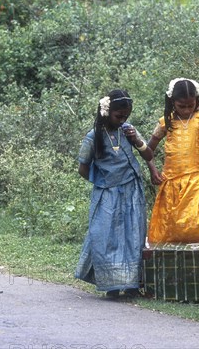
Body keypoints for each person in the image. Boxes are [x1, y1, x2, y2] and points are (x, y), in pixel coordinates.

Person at [75, 89, 154, 298]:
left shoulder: (127, 131)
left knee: (133, 235)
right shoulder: (93, 137)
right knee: (107, 236)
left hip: (132, 191)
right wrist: (103, 182)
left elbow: (148, 154)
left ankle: (132, 286)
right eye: (119, 116)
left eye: (126, 116)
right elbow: (83, 168)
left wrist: (137, 139)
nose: (122, 120)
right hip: (107, 194)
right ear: (106, 112)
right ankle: (111, 285)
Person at [146, 78, 199, 243]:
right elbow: (147, 149)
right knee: (172, 228)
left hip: (197, 179)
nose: (187, 110)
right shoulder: (166, 122)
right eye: (182, 106)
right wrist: (153, 170)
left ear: (197, 101)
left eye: (191, 105)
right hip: (172, 180)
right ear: (173, 102)